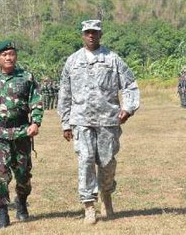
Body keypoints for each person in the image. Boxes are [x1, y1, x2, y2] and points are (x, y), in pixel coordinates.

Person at [58, 19, 140, 225]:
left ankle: (106, 195)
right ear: (82, 35)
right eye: (87, 32)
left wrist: (128, 108)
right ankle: (88, 206)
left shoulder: (112, 59)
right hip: (82, 120)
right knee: (85, 160)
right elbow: (65, 93)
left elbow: (129, 84)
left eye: (95, 32)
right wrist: (65, 123)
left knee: (106, 162)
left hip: (107, 120)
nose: (91, 35)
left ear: (100, 34)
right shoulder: (73, 61)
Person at [0, 40, 43, 229]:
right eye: (4, 55)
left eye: (12, 54)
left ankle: (21, 201)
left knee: (23, 175)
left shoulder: (27, 77)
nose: (9, 57)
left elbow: (36, 101)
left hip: (21, 131)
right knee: (0, 173)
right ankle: (2, 213)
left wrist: (35, 122)